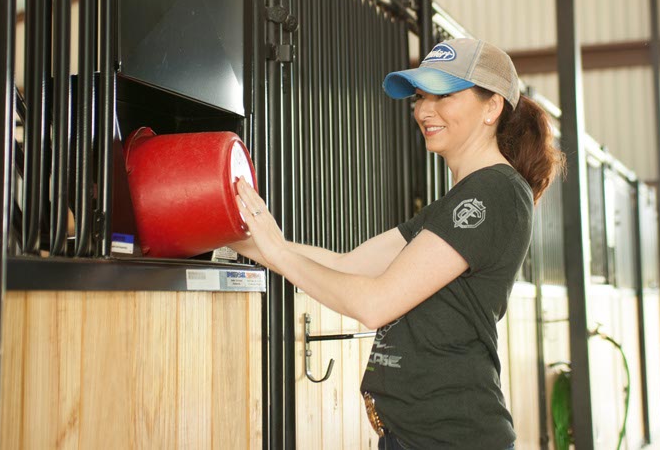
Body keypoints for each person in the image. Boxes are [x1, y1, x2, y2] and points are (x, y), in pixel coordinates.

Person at [233, 37, 564, 450]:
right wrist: (242, 237)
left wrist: (279, 252)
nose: (424, 110)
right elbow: (349, 264)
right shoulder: (457, 202)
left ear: (492, 106)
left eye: (443, 95)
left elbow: (375, 303)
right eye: (421, 96)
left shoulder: (494, 193)